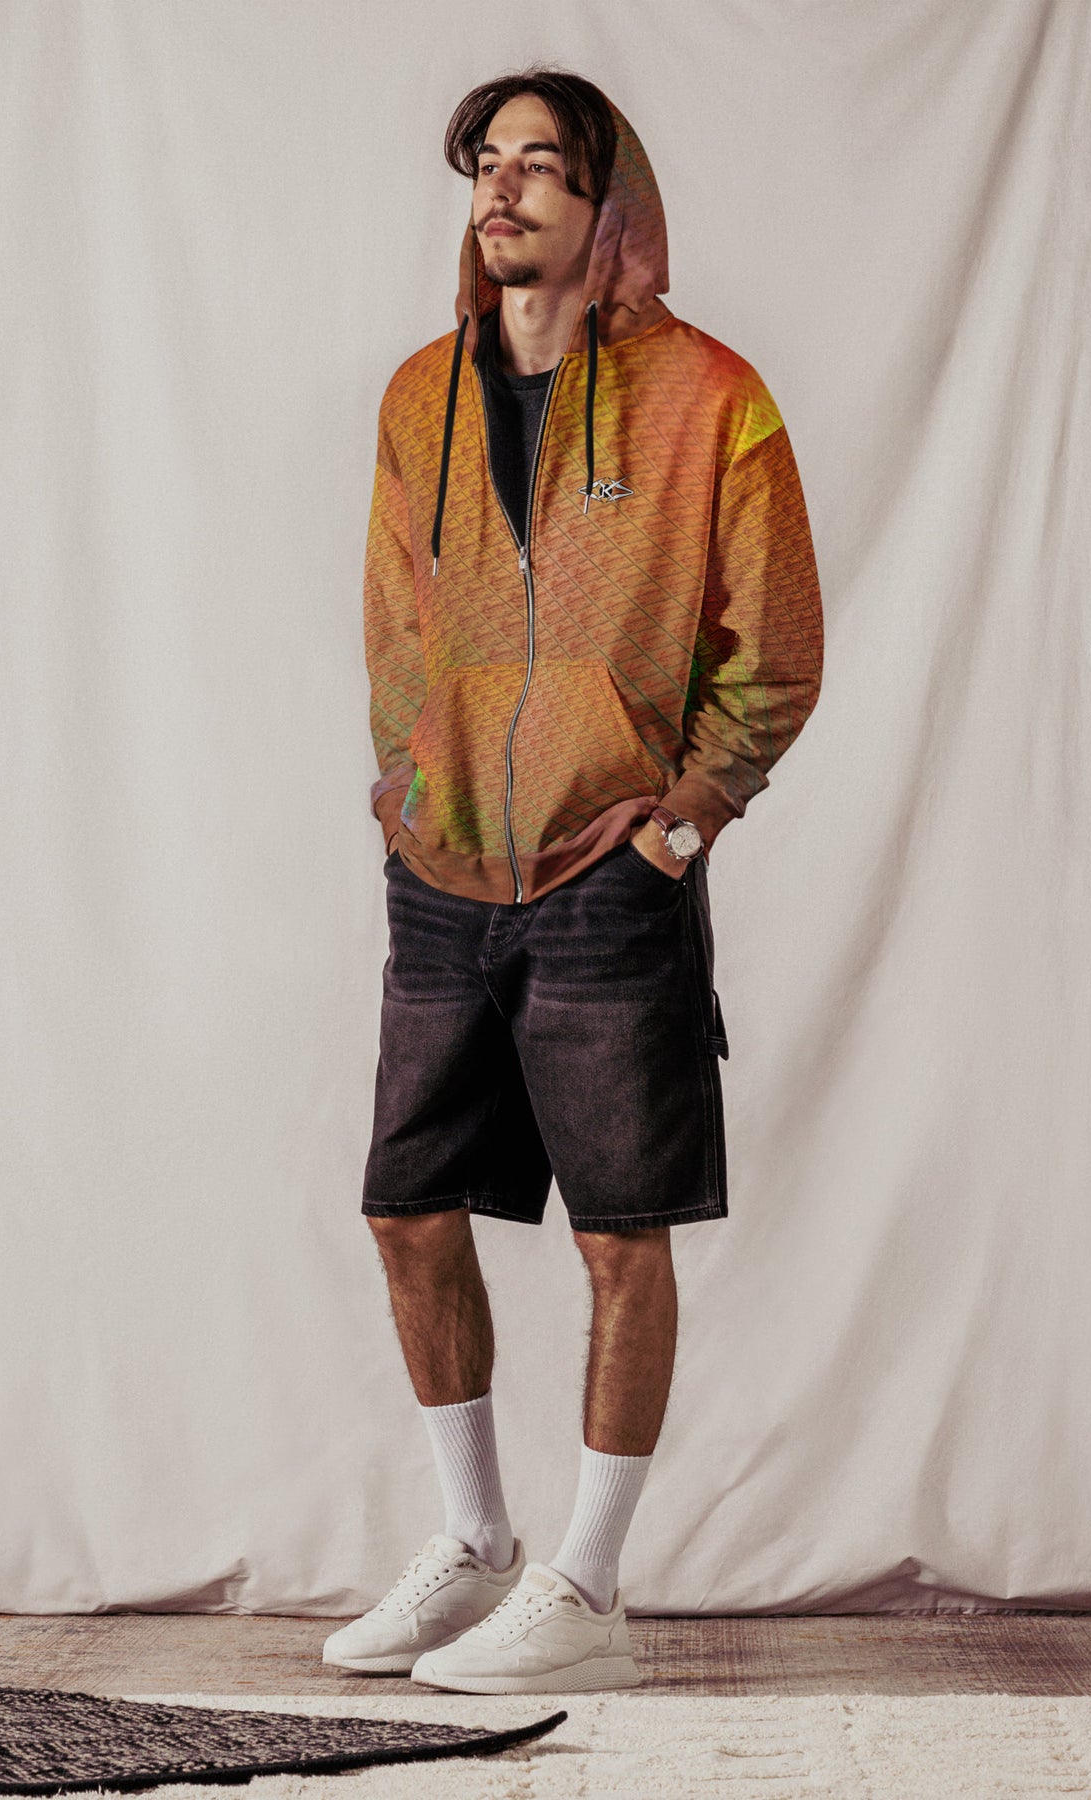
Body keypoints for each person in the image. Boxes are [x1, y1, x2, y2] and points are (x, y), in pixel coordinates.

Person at [322, 67, 823, 1694]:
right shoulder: (421, 397)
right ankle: (474, 1545)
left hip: (611, 872)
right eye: (488, 160)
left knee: (620, 1232)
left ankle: (588, 1586)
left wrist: (685, 819)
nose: (504, 187)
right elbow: (398, 631)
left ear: (612, 207)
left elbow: (777, 648)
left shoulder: (713, 399)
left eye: (543, 163)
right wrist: (407, 792)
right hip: (444, 869)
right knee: (407, 1208)